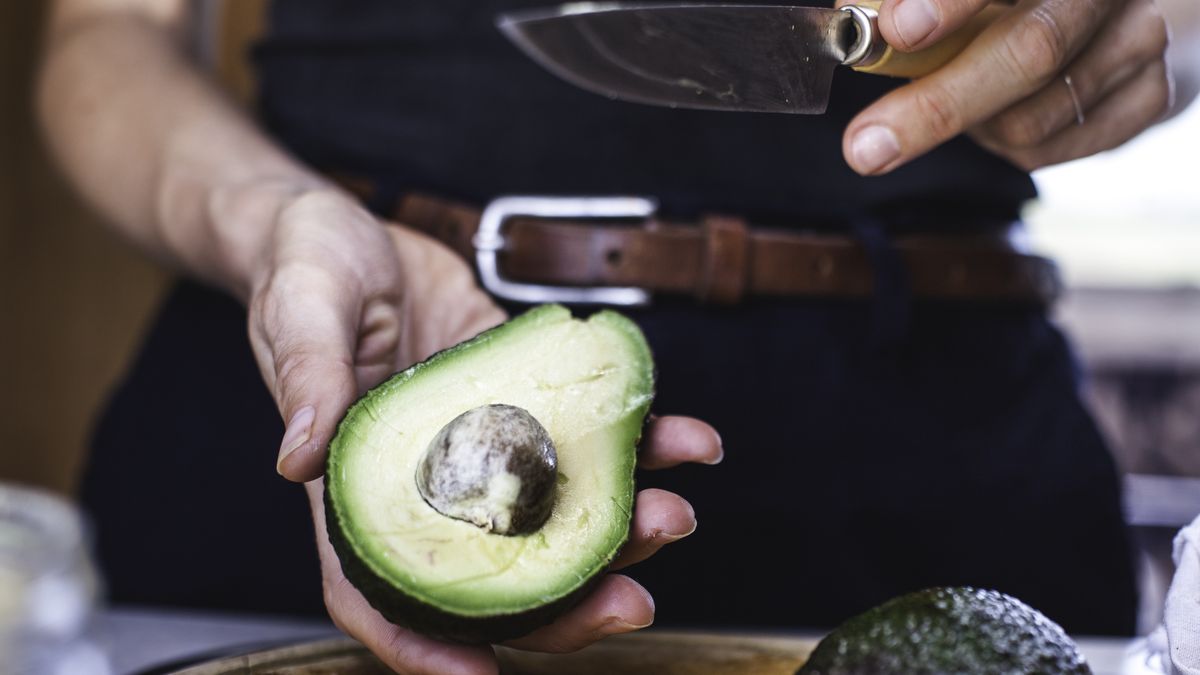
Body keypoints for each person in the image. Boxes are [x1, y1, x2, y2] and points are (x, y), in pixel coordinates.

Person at [37, 0, 1195, 673]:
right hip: (362, 330)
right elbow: (104, 41)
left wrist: (1156, 32)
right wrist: (270, 220)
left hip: (939, 428)